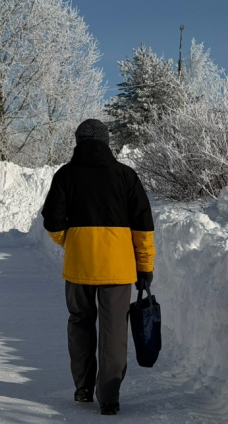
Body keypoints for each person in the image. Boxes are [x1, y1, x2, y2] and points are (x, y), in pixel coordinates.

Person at [41, 118, 155, 416]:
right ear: (106, 142)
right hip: (118, 270)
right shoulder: (125, 176)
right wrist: (144, 268)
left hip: (79, 265)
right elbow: (143, 228)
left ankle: (82, 388)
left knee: (80, 322)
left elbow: (52, 220)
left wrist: (70, 242)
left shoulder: (65, 175)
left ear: (78, 141)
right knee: (114, 330)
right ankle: (109, 398)